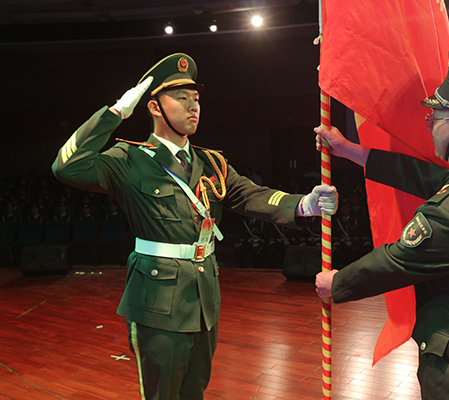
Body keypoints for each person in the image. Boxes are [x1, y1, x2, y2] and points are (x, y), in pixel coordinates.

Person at [52, 53, 338, 400]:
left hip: (204, 297)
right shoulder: (128, 159)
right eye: (182, 98)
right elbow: (67, 167)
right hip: (157, 300)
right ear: (154, 107)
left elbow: (252, 195)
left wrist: (305, 204)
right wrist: (114, 114)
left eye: (196, 99)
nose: (193, 106)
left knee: (194, 390)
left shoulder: (211, 163)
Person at [314, 48, 449, 399]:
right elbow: (429, 177)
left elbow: (392, 263)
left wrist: (336, 283)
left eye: (437, 117)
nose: (429, 124)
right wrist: (351, 150)